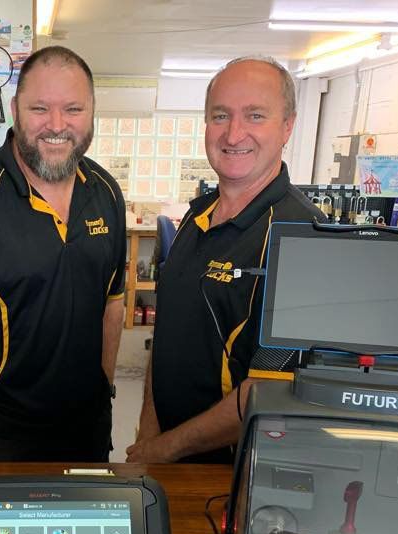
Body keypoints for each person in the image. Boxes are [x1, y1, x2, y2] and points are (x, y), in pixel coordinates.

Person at [0, 46, 126, 462]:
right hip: (3, 443)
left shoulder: (106, 193)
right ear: (14, 110)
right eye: (39, 108)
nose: (56, 125)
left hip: (86, 433)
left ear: (91, 112)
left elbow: (113, 303)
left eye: (73, 108)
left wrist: (102, 391)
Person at [127, 56, 324, 464]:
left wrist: (162, 450)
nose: (235, 133)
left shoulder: (303, 240)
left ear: (287, 126)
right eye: (221, 115)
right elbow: (166, 340)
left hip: (235, 480)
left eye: (255, 115)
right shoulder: (194, 220)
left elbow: (267, 392)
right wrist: (148, 433)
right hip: (167, 460)